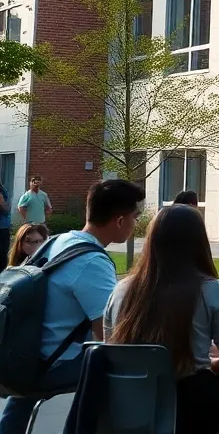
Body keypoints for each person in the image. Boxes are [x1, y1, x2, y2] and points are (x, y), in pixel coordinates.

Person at [0, 179, 144, 434]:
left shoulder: (57, 241)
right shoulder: (93, 262)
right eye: (136, 216)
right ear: (120, 221)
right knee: (128, 367)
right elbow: (108, 336)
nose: (137, 223)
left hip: (22, 356)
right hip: (52, 365)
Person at [105, 205, 219, 434]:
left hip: (130, 401)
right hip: (190, 403)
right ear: (199, 241)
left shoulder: (122, 289)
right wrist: (216, 364)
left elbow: (110, 348)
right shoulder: (212, 290)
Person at [0, 178, 10, 269]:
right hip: (3, 227)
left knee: (2, 254)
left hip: (2, 227)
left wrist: (2, 202)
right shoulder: (3, 190)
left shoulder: (2, 191)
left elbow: (6, 209)